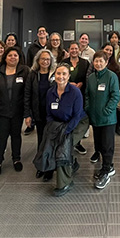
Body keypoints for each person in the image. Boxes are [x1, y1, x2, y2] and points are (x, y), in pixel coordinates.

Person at [34, 64, 88, 197]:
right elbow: (49, 114)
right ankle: (72, 164)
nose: (61, 77)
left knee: (63, 145)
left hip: (77, 123)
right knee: (52, 142)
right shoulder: (50, 92)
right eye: (58, 74)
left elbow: (76, 115)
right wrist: (54, 128)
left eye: (64, 74)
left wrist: (65, 131)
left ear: (68, 76)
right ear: (55, 75)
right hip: (58, 123)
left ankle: (65, 182)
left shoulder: (75, 92)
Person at [85, 51, 120, 189]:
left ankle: (107, 170)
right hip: (94, 117)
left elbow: (115, 95)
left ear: (106, 62)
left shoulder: (111, 76)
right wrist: (88, 107)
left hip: (107, 118)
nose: (98, 64)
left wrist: (107, 110)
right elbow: (87, 94)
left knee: (107, 145)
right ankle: (107, 165)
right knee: (98, 144)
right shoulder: (92, 77)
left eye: (101, 61)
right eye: (96, 61)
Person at [0, 47, 29, 176]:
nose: (13, 57)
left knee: (16, 136)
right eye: (10, 55)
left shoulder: (25, 71)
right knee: (1, 137)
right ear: (5, 57)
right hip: (1, 111)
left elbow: (27, 93)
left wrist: (27, 113)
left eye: (15, 55)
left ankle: (16, 159)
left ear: (19, 57)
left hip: (17, 111)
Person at [24, 49, 56, 180]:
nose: (45, 62)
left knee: (51, 140)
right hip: (38, 113)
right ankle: (41, 166)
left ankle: (50, 168)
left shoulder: (55, 74)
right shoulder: (32, 75)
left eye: (48, 59)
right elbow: (27, 95)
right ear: (38, 60)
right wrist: (27, 115)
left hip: (53, 114)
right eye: (43, 59)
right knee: (41, 140)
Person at [61, 41, 90, 155]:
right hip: (67, 94)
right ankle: (66, 141)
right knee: (68, 117)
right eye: (72, 49)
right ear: (68, 50)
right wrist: (69, 83)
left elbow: (87, 77)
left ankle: (77, 142)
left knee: (78, 117)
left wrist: (82, 83)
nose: (74, 51)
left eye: (76, 49)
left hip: (80, 94)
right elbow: (61, 75)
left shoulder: (85, 62)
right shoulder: (64, 62)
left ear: (79, 50)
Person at [101, 42, 120, 137]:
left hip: (112, 91)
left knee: (116, 110)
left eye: (111, 50)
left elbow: (118, 80)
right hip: (101, 91)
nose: (109, 52)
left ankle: (118, 126)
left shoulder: (115, 65)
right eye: (107, 50)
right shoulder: (98, 62)